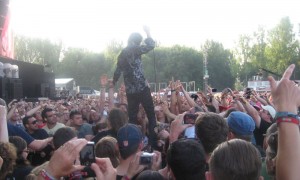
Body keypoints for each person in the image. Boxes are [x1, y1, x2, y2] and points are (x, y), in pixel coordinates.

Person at [112, 26, 157, 149]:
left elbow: (118, 70)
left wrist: (114, 82)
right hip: (142, 87)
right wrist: (148, 32)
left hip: (130, 90)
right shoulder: (134, 48)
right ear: (136, 41)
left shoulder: (123, 52)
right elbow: (151, 45)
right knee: (151, 115)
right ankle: (153, 144)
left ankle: (131, 144)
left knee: (132, 117)